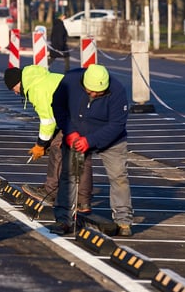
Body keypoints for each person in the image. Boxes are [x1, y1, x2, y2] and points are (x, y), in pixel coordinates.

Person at [50, 64, 133, 236]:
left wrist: (90, 141)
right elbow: (57, 106)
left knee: (119, 177)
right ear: (83, 84)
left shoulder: (117, 91)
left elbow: (117, 124)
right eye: (90, 92)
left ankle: (123, 221)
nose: (94, 95)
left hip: (110, 140)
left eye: (98, 93)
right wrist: (70, 132)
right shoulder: (70, 81)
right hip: (76, 134)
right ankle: (64, 219)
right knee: (70, 176)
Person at [4, 66, 94, 213]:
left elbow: (48, 121)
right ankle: (83, 202)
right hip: (85, 111)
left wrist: (40, 145)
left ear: (18, 82)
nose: (15, 92)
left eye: (13, 88)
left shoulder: (37, 90)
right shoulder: (40, 80)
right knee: (80, 156)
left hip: (78, 115)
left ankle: (51, 192)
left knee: (57, 148)